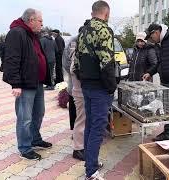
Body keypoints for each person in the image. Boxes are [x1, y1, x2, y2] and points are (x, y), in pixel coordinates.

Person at [3, 8, 53, 160]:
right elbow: (12, 59)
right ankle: (25, 148)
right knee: (25, 117)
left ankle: (35, 139)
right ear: (31, 20)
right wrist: (15, 84)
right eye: (40, 21)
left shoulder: (32, 35)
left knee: (39, 112)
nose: (42, 24)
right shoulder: (16, 33)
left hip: (36, 82)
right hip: (24, 83)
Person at [75, 1, 116, 179]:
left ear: (93, 12)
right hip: (100, 87)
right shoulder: (104, 30)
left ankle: (90, 161)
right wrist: (111, 87)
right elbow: (106, 63)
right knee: (97, 129)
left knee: (90, 126)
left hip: (86, 85)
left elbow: (76, 61)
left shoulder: (82, 30)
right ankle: (91, 172)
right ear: (106, 14)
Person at [62, 22, 89, 161]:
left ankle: (80, 141)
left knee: (81, 116)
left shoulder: (86, 39)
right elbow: (67, 64)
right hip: (78, 85)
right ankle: (78, 146)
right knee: (79, 115)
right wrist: (75, 77)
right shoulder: (74, 42)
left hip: (81, 86)